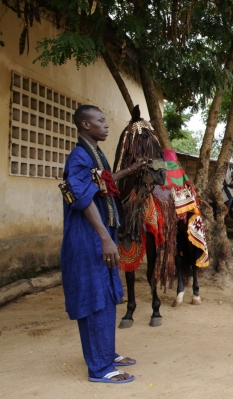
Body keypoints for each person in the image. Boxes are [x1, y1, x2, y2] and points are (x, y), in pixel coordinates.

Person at [60, 105, 143, 383]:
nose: (106, 125)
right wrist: (105, 238)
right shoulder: (78, 158)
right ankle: (99, 368)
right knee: (94, 298)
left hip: (98, 236)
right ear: (85, 124)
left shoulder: (94, 154)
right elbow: (83, 199)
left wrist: (130, 169)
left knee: (106, 296)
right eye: (100, 121)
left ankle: (106, 354)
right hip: (89, 238)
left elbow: (101, 184)